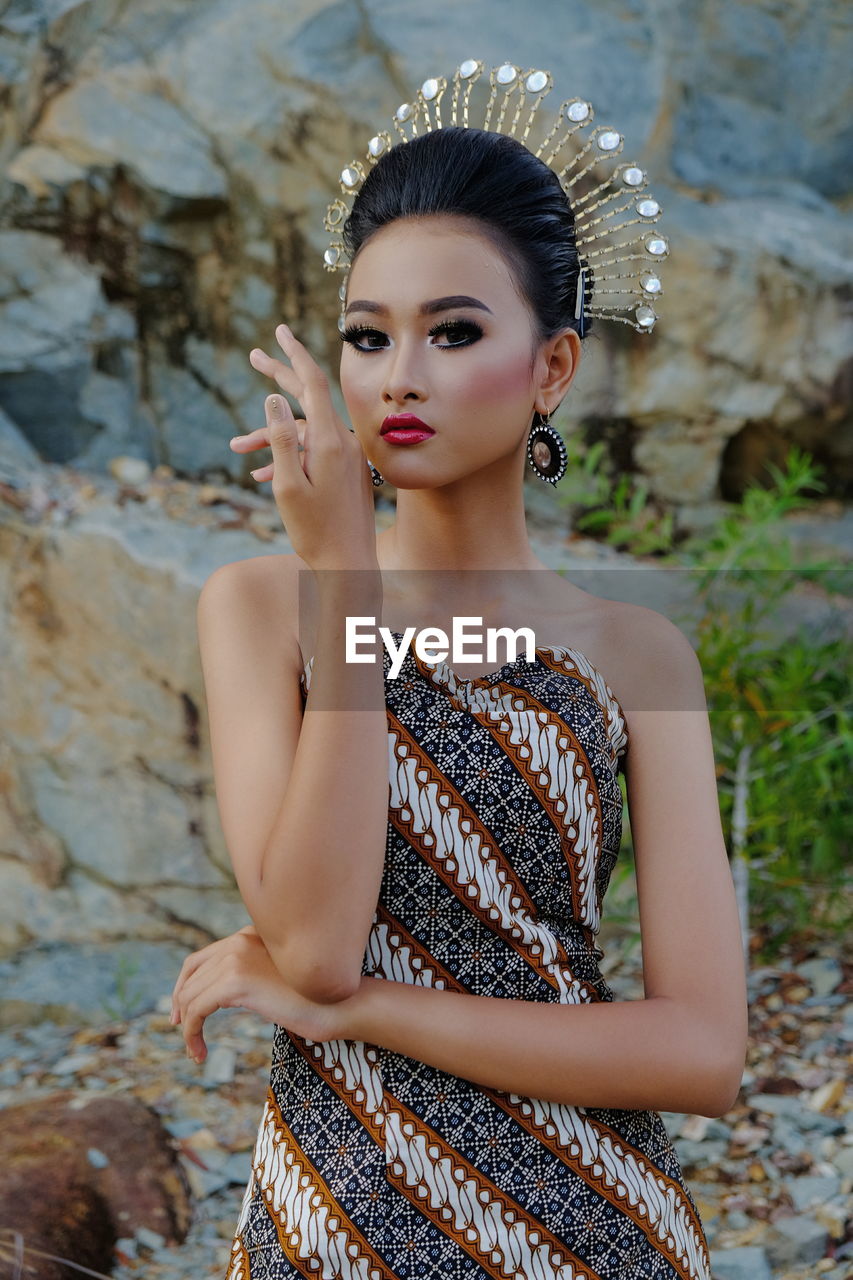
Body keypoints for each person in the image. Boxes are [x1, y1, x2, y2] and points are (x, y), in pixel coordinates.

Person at [170, 60, 748, 1280]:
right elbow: (317, 937)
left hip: (594, 1222)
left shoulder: (636, 652)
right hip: (339, 1215)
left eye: (454, 331)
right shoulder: (262, 604)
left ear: (551, 368)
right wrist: (340, 578)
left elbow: (701, 1050)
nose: (398, 377)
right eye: (368, 336)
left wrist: (367, 1012)